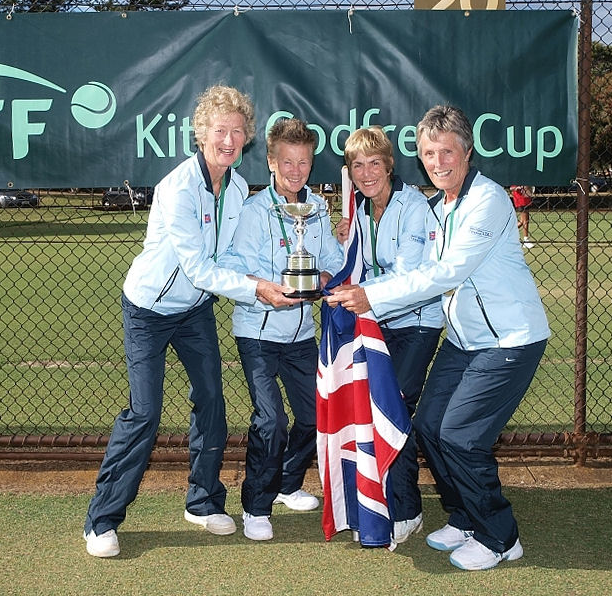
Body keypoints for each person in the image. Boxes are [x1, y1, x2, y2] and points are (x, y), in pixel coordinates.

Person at [325, 105, 550, 571]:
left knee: (462, 436)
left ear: (466, 151)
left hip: (510, 340)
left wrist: (372, 297)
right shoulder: (438, 206)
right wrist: (352, 237)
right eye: (429, 153)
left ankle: (500, 536)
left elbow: (446, 272)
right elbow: (410, 262)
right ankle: (465, 517)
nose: (438, 161)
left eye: (446, 151)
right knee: (428, 426)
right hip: (465, 341)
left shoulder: (487, 200)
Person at [83, 85, 298, 558]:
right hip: (148, 309)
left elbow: (238, 252)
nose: (229, 140)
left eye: (238, 132)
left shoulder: (239, 187)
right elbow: (200, 267)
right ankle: (101, 519)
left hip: (195, 310)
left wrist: (314, 236)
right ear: (201, 134)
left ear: (246, 140)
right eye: (220, 130)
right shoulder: (177, 188)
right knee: (145, 413)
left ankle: (202, 502)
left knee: (211, 400)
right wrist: (258, 288)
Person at [226, 118, 343, 541]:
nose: (296, 171)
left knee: (314, 415)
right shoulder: (255, 211)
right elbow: (237, 267)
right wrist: (271, 287)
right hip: (257, 331)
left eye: (304, 163)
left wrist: (322, 277)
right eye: (288, 162)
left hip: (301, 335)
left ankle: (287, 484)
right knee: (271, 420)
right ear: (272, 163)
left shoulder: (316, 209)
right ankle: (256, 506)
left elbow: (330, 257)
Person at [334, 127, 443, 545]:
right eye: (357, 165)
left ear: (389, 164)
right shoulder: (360, 208)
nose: (365, 173)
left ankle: (407, 509)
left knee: (393, 407)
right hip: (379, 323)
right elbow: (359, 267)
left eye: (373, 163)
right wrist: (342, 239)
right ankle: (386, 501)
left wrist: (361, 297)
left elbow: (409, 275)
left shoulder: (413, 205)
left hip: (417, 322)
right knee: (377, 408)